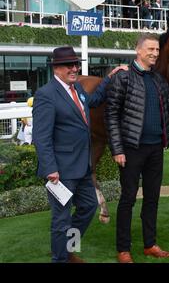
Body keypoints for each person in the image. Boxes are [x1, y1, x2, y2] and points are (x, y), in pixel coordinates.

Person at [33, 46, 125, 263]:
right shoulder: (46, 95)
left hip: (83, 167)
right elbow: (41, 136)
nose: (74, 68)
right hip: (61, 171)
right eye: (68, 65)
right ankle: (61, 259)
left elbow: (93, 101)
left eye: (76, 64)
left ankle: (69, 251)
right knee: (61, 219)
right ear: (56, 68)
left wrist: (109, 78)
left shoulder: (78, 90)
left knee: (89, 207)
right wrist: (50, 168)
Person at [105, 34, 169, 263]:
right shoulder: (122, 77)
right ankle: (123, 249)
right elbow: (111, 115)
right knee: (128, 199)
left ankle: (150, 244)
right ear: (138, 50)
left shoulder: (158, 79)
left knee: (152, 199)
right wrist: (117, 149)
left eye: (157, 50)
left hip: (155, 149)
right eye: (151, 49)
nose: (155, 53)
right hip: (131, 149)